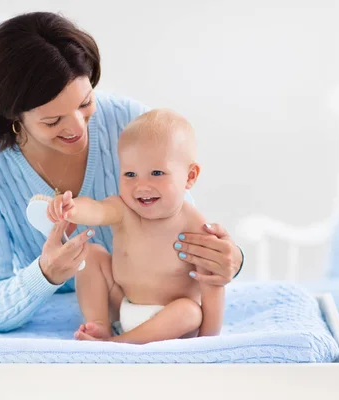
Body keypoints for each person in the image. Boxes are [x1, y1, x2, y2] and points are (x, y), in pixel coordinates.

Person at [0, 11, 243, 333]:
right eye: (53, 121)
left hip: (166, 311)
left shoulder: (133, 124)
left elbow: (184, 232)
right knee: (91, 256)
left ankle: (118, 346)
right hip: (102, 308)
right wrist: (45, 272)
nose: (78, 128)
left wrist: (229, 259)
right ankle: (103, 337)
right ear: (14, 117)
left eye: (85, 103)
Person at [47, 109, 224, 343]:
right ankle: (100, 326)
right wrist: (71, 207)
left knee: (189, 311)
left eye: (157, 173)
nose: (142, 186)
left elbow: (212, 284)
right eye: (130, 174)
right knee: (91, 255)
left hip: (170, 322)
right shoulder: (123, 210)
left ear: (190, 176)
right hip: (124, 306)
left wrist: (208, 341)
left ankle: (116, 344)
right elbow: (97, 210)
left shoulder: (196, 227)